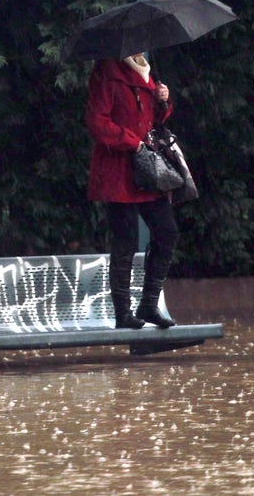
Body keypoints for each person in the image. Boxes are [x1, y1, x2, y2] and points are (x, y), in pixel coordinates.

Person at [85, 53, 178, 329]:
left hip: (146, 169)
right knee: (124, 239)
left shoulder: (146, 71)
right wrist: (132, 142)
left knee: (167, 231)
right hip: (117, 170)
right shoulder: (106, 71)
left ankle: (149, 304)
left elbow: (153, 120)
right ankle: (123, 313)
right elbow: (97, 121)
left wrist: (163, 101)